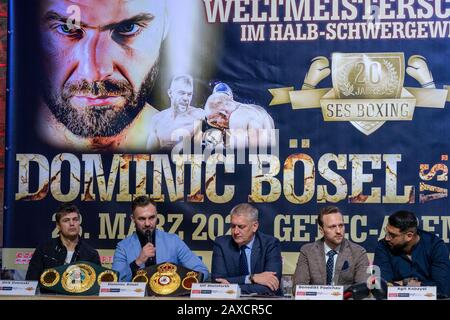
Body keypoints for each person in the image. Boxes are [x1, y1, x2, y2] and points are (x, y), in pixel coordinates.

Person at [37, 0, 168, 151]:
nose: (93, 74)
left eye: (127, 28)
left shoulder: (180, 141)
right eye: (67, 28)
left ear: (166, 25)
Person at [112, 196, 209, 282]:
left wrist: (179, 284)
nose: (147, 223)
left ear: (157, 215)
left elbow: (201, 271)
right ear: (133, 219)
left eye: (151, 218)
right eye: (142, 219)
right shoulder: (123, 247)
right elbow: (115, 281)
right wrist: (138, 262)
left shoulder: (173, 241)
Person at [374, 210, 450, 298]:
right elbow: (382, 288)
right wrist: (413, 284)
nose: (386, 238)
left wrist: (402, 283)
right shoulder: (383, 246)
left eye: (392, 235)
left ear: (409, 236)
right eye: (386, 232)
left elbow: (442, 288)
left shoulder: (435, 246)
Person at [211, 203, 282, 295]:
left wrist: (231, 286)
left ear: (254, 226)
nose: (236, 232)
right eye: (233, 226)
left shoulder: (270, 244)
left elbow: (271, 287)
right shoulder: (221, 244)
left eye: (241, 227)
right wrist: (252, 278)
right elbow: (218, 284)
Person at [293, 206, 369, 287]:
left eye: (341, 225)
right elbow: (298, 287)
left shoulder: (358, 252)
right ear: (322, 230)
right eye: (332, 227)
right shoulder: (308, 252)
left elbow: (363, 288)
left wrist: (334, 293)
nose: (338, 231)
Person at [26, 203, 101, 281]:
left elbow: (96, 288)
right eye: (66, 220)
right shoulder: (44, 250)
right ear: (58, 226)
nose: (72, 224)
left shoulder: (91, 254)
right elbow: (31, 282)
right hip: (48, 293)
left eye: (75, 219)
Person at [204, 83, 276, 149]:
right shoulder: (258, 109)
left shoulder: (236, 117)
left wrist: (216, 146)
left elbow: (238, 153)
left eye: (215, 122)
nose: (217, 125)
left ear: (223, 114)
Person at [146, 74, 205, 150]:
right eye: (181, 93)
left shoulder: (198, 115)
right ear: (170, 93)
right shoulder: (157, 120)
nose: (186, 98)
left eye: (189, 94)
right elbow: (150, 153)